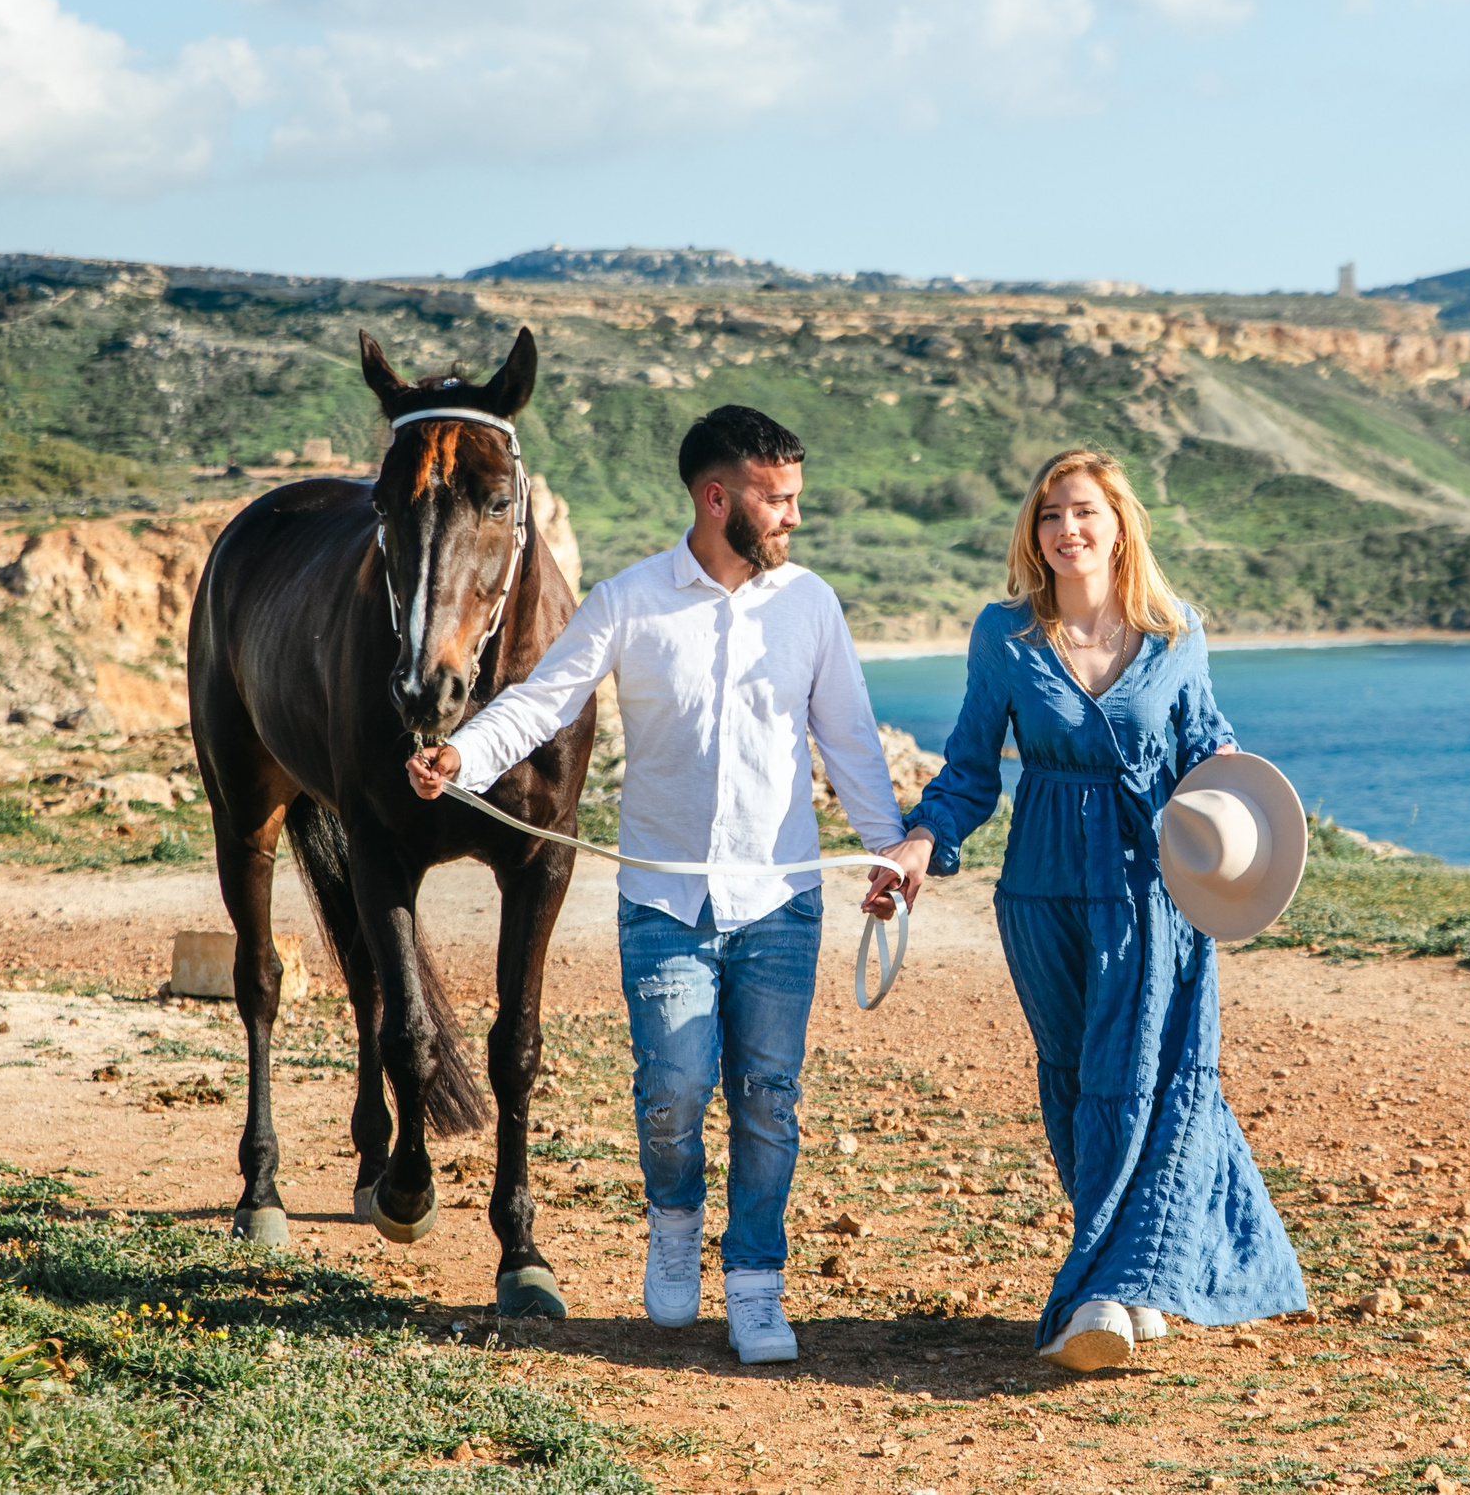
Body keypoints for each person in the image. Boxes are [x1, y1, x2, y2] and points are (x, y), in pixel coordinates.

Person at [409, 405, 928, 1365]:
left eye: (796, 499)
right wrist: (464, 754)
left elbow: (850, 739)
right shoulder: (629, 600)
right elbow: (541, 700)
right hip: (664, 904)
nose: (792, 519)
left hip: (780, 901)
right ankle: (676, 1225)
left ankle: (759, 1283)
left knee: (770, 1096)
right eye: (778, 501)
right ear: (717, 496)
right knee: (675, 1093)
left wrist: (894, 849)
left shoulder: (810, 604)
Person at [867, 448, 1307, 1371]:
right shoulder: (1006, 635)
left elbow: (1210, 748)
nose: (1066, 530)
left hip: (1154, 892)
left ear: (1118, 526)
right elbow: (971, 768)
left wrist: (1245, 831)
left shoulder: (1175, 631)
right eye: (1050, 516)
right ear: (1035, 532)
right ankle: (1137, 1274)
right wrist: (918, 845)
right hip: (1040, 891)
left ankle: (1103, 1290)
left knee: (1139, 1077)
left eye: (1084, 514)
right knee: (1075, 1083)